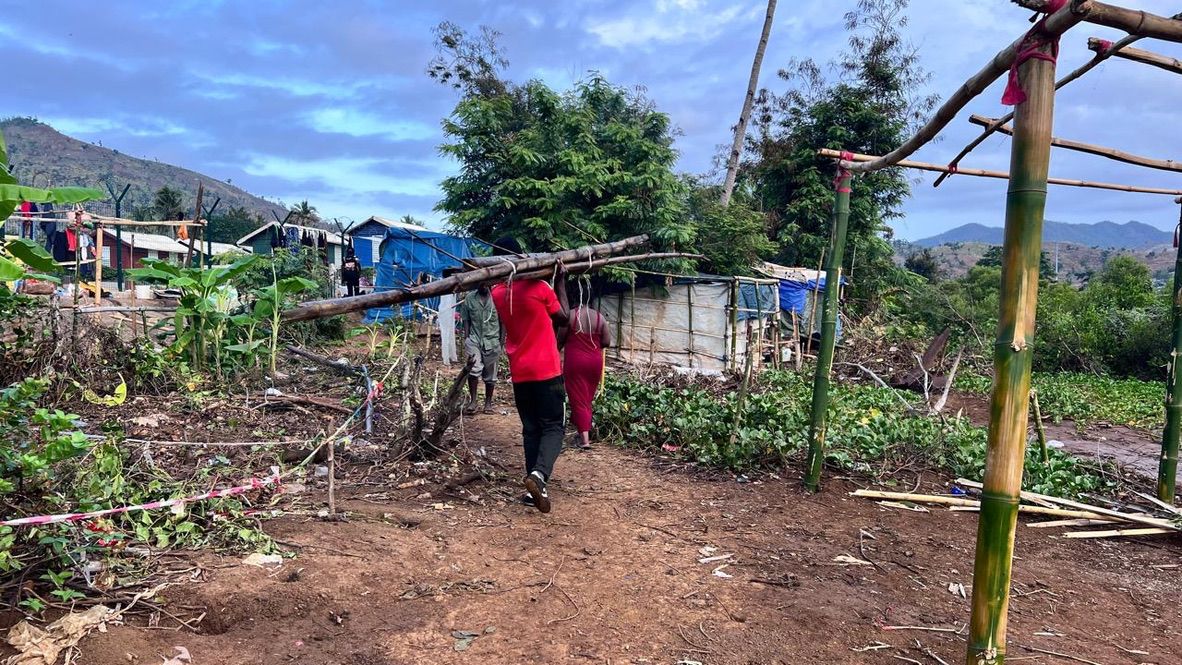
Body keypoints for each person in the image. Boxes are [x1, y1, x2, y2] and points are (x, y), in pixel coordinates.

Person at [490, 237, 569, 514]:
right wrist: (560, 280)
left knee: (531, 428)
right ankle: (538, 475)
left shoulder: (498, 293)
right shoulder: (540, 288)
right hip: (547, 370)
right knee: (553, 427)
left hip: (520, 373)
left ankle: (534, 488)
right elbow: (564, 318)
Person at [560, 303, 612, 450]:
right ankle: (580, 430)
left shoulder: (570, 315)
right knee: (586, 398)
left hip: (575, 362)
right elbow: (606, 342)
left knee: (578, 399)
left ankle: (585, 440)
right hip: (595, 362)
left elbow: (560, 339)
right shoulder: (599, 317)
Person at [459, 283, 502, 415]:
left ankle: (488, 403)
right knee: (474, 369)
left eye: (486, 283)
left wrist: (501, 341)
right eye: (480, 283)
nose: (483, 286)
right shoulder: (470, 298)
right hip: (474, 340)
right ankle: (473, 401)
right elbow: (466, 320)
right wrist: (467, 338)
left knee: (491, 375)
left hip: (492, 341)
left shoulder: (497, 298)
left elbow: (503, 321)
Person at [438, 269, 460, 366]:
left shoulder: (449, 285)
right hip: (445, 312)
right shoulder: (445, 285)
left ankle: (452, 356)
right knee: (446, 333)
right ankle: (446, 359)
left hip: (449, 311)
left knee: (450, 333)